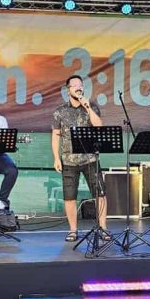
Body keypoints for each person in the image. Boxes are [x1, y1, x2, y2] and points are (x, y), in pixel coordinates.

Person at [52, 75, 108, 243]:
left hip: (90, 159)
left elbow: (99, 126)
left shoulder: (92, 107)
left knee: (100, 194)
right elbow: (55, 136)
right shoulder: (60, 111)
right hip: (69, 160)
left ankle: (103, 228)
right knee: (69, 197)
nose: (78, 87)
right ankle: (73, 230)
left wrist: (87, 107)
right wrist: (56, 158)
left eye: (80, 85)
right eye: (74, 85)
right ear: (68, 90)